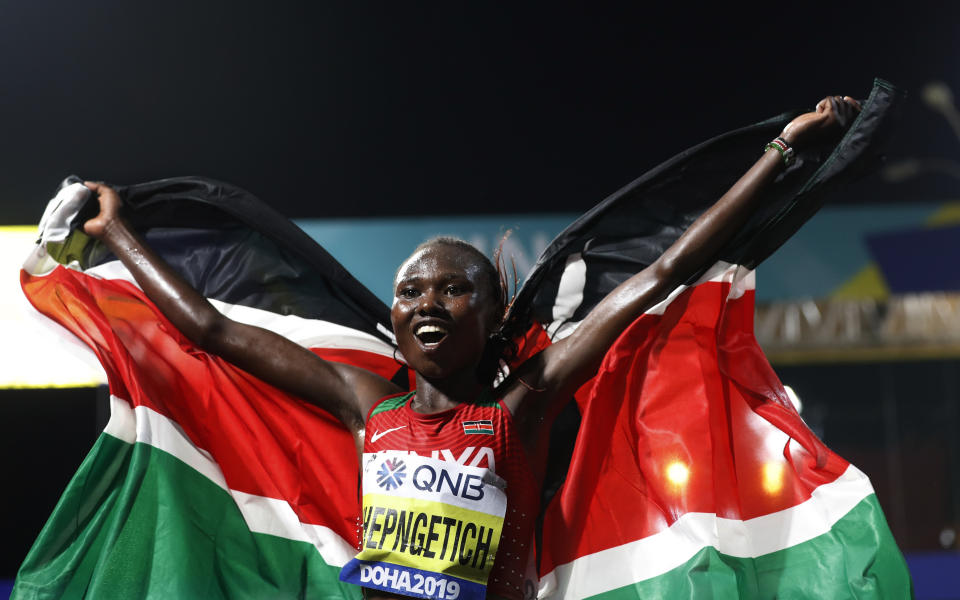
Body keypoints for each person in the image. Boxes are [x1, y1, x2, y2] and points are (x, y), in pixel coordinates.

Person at [81, 95, 860, 600]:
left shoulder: (524, 402)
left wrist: (781, 155)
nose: (427, 301)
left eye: (453, 289)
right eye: (412, 290)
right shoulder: (366, 408)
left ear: (492, 316)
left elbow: (664, 271)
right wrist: (116, 232)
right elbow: (211, 330)